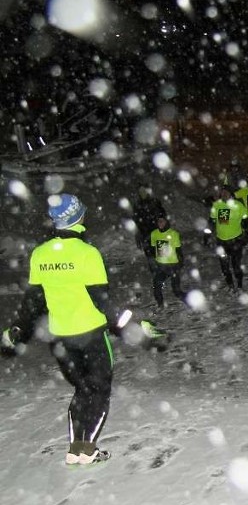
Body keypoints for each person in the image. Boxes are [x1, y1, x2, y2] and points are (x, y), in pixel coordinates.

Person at [1, 194, 154, 465]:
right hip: (91, 334)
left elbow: (33, 302)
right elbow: (102, 300)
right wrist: (130, 327)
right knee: (100, 391)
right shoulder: (87, 254)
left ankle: (74, 450)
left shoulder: (40, 254)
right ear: (77, 217)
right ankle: (88, 449)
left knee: (82, 389)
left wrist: (16, 330)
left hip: (61, 338)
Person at [208, 187, 248, 292]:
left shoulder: (238, 205)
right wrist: (207, 235)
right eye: (222, 193)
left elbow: (246, 220)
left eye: (226, 192)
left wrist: (247, 234)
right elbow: (212, 220)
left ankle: (239, 285)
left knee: (236, 265)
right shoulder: (217, 205)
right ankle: (230, 285)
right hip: (221, 241)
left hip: (236, 240)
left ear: (231, 193)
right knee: (224, 266)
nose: (224, 194)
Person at [150, 215, 187, 309]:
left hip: (172, 265)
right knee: (156, 286)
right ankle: (160, 305)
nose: (160, 224)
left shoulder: (173, 234)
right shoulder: (154, 234)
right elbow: (153, 249)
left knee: (176, 290)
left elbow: (178, 250)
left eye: (162, 221)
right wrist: (154, 261)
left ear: (167, 222)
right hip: (161, 265)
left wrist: (180, 262)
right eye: (158, 221)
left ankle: (189, 301)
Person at [132, 186, 165, 273]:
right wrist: (138, 235)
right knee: (150, 254)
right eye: (141, 192)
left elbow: (162, 215)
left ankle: (163, 270)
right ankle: (155, 272)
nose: (143, 194)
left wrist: (163, 228)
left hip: (156, 231)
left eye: (144, 191)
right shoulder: (137, 205)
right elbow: (136, 220)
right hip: (145, 233)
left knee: (161, 252)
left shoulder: (155, 202)